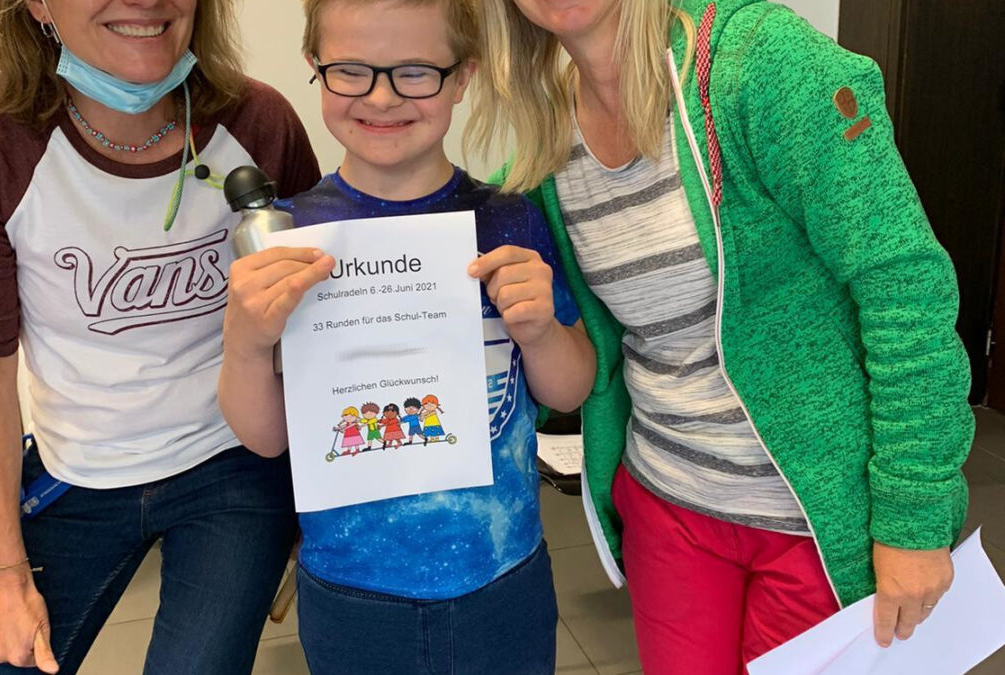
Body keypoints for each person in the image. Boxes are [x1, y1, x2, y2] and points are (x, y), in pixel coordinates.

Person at [467, 1, 974, 673]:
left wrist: (915, 517)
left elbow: (905, 287)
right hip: (668, 509)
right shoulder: (547, 146)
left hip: (817, 520)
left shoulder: (759, 64)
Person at [0, 0, 320, 672]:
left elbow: (318, 335)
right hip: (74, 470)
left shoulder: (259, 121)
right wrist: (6, 574)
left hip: (233, 465)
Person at [217, 0, 596, 672]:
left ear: (464, 75)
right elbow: (267, 436)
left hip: (502, 577)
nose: (382, 97)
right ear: (315, 66)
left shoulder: (509, 220)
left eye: (416, 71)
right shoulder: (284, 238)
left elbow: (570, 390)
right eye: (351, 70)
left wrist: (540, 333)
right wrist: (244, 344)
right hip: (350, 590)